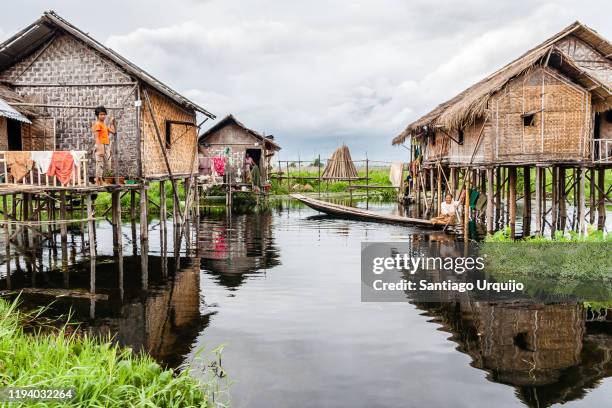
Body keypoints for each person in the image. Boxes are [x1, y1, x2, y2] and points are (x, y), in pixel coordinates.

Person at [91, 106, 116, 185]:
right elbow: (97, 137)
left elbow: (113, 131)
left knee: (108, 163)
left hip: (106, 145)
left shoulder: (104, 125)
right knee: (99, 163)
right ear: (97, 115)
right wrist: (100, 148)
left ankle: (104, 179)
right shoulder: (98, 124)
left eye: (104, 114)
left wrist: (111, 123)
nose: (103, 116)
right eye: (101, 114)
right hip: (100, 145)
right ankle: (98, 180)